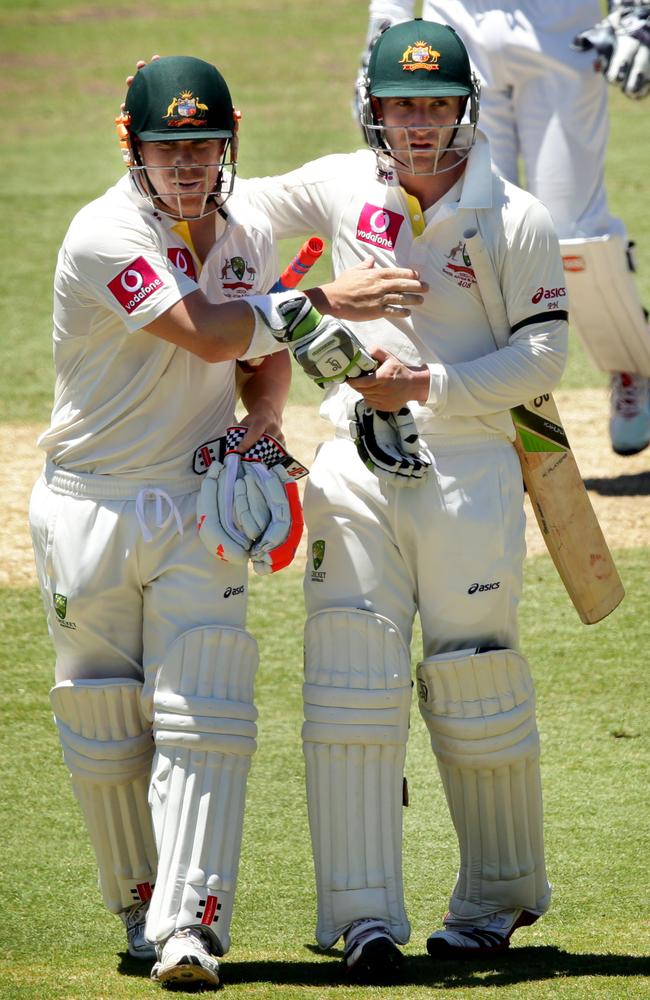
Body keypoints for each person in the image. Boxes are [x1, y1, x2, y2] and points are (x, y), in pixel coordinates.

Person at [28, 54, 427, 991]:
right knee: (102, 719)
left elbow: (255, 350)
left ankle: (191, 927)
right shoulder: (104, 235)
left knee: (205, 708)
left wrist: (266, 412)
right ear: (133, 147)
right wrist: (328, 299)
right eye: (170, 147)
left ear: (227, 143)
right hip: (88, 501)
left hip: (195, 499)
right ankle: (139, 903)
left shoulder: (239, 232)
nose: (190, 164)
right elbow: (213, 330)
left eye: (205, 144)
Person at [239, 18, 568, 981]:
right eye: (400, 105)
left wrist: (422, 387)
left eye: (435, 105)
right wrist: (165, 135)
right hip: (353, 462)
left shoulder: (514, 216)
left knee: (474, 680)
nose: (418, 126)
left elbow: (546, 354)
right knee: (348, 678)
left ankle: (497, 901)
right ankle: (361, 916)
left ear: (466, 108)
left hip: (470, 465)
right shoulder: (343, 183)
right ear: (372, 107)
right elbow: (228, 205)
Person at [354, 1, 650, 457]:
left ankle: (630, 366)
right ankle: (474, 396)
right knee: (467, 212)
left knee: (574, 236)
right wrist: (386, 19)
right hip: (456, 27)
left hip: (561, 26)